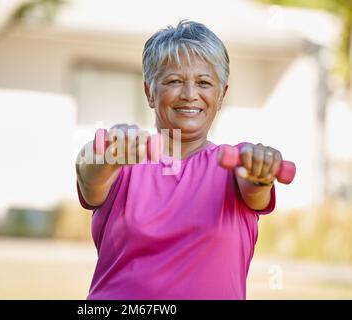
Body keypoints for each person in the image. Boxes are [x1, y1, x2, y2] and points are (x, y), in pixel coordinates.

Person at [75, 20, 283, 300]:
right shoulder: (121, 162)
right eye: (174, 81)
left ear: (221, 94)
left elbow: (256, 188)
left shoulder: (236, 164)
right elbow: (88, 171)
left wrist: (261, 174)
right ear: (149, 91)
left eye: (204, 83)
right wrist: (108, 156)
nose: (189, 94)